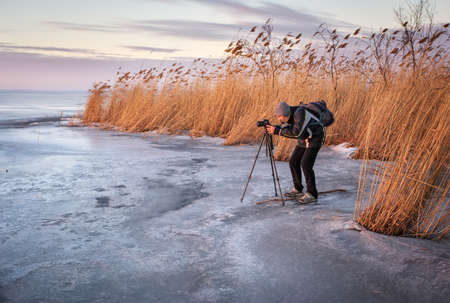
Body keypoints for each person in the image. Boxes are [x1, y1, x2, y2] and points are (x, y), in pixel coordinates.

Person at [265, 101, 324, 204]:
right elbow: (287, 128)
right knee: (293, 161)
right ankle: (298, 189)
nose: (279, 119)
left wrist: (277, 131)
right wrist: (275, 128)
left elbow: (296, 133)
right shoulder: (289, 115)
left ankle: (312, 193)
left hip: (315, 137)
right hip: (304, 137)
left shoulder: (299, 114)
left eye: (279, 116)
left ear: (285, 114)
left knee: (306, 164)